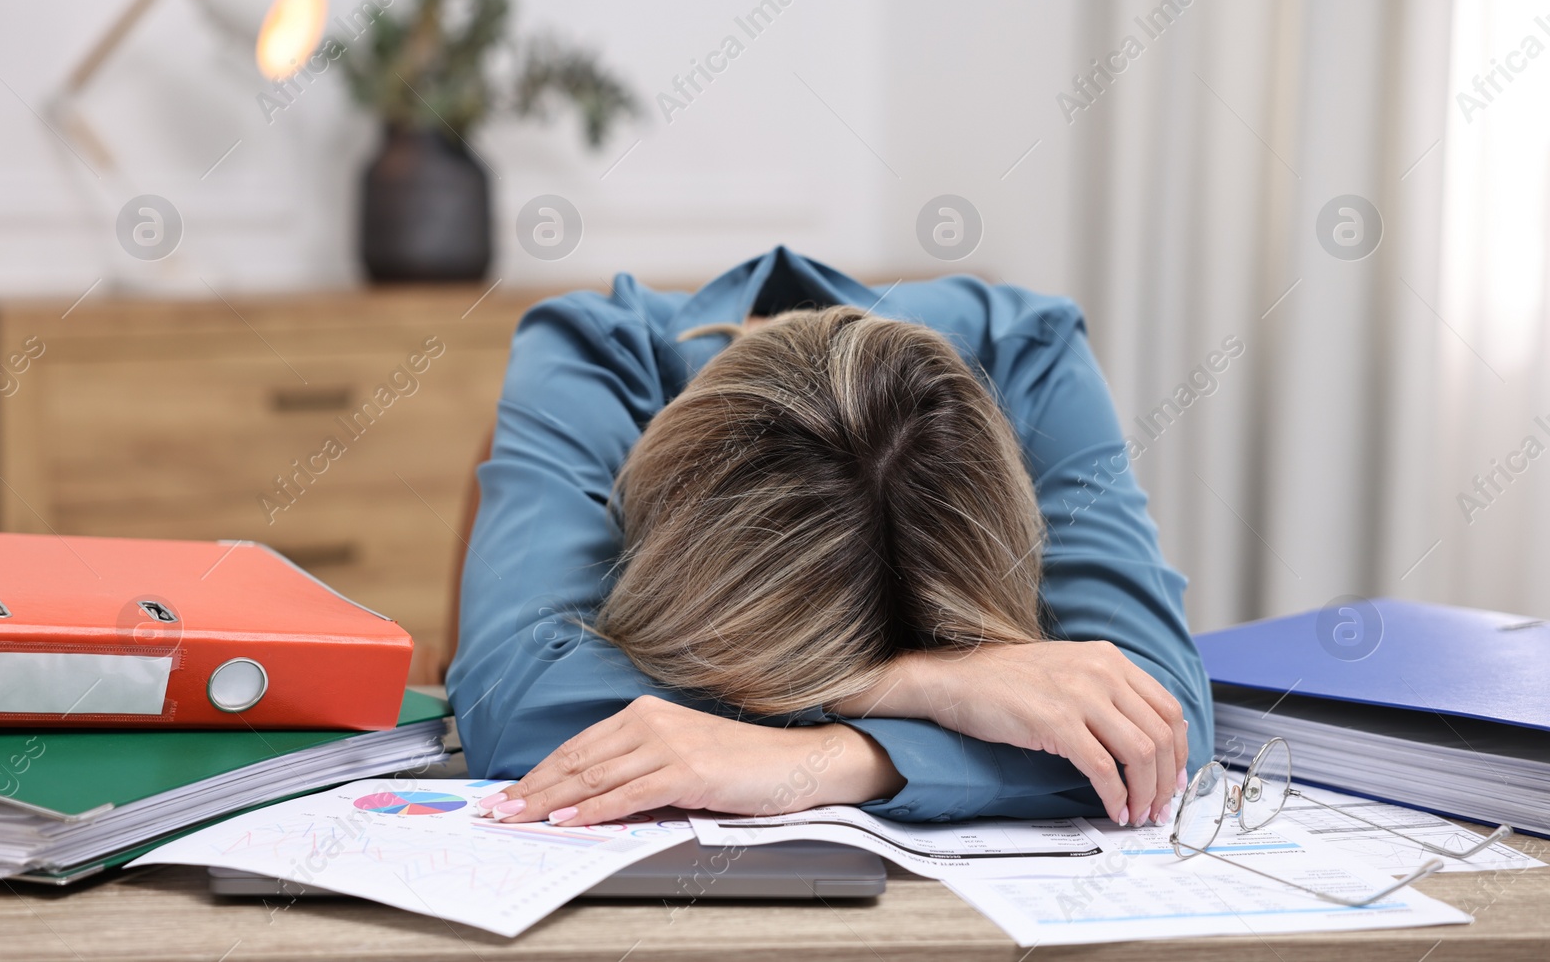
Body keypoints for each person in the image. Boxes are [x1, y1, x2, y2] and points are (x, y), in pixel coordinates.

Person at [447, 248, 1212, 830]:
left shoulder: (1029, 352)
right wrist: (930, 685)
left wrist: (833, 759)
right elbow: (512, 702)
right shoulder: (592, 349)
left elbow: (1159, 727)